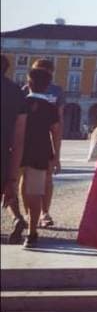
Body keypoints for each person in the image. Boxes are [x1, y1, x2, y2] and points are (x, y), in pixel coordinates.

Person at [18, 66, 62, 249]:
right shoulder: (50, 108)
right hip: (40, 153)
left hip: (18, 152)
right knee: (34, 191)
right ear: (48, 87)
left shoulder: (20, 103)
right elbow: (56, 133)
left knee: (22, 184)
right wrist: (56, 157)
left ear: (28, 83)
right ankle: (32, 231)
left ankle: (26, 221)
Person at [24, 58, 66, 228]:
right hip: (28, 142)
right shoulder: (25, 90)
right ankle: (29, 213)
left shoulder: (57, 91)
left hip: (44, 141)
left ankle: (44, 212)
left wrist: (57, 154)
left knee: (47, 179)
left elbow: (59, 123)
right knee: (25, 179)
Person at [2, 56, 30, 244]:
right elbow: (19, 137)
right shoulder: (17, 92)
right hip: (4, 150)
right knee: (8, 188)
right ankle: (17, 218)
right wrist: (12, 176)